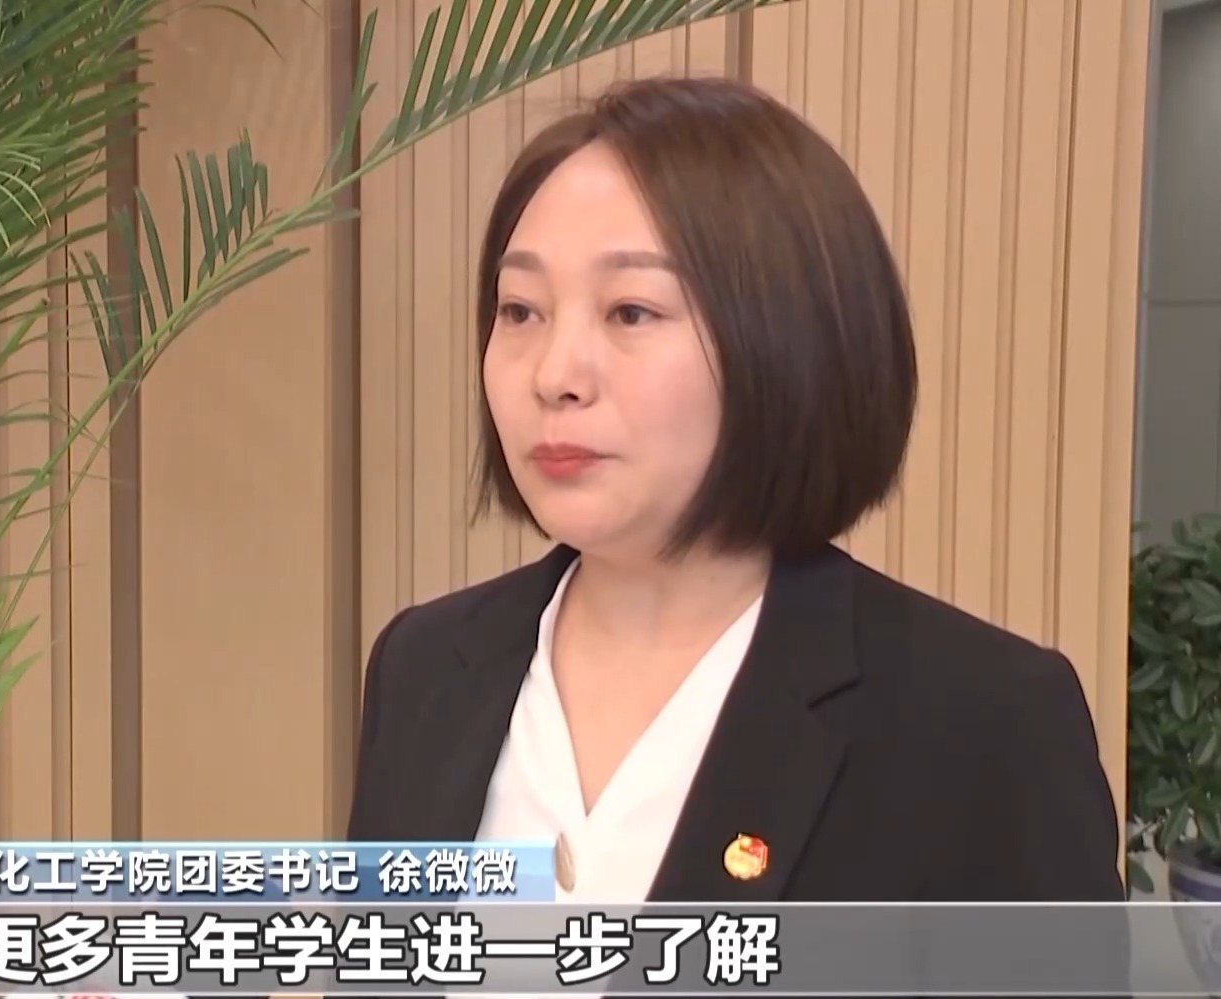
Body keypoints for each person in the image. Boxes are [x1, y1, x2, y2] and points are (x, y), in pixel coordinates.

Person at [344, 76, 1126, 908]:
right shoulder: (424, 667)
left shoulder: (982, 723)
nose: (554, 374)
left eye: (630, 311)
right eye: (521, 310)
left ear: (786, 339)